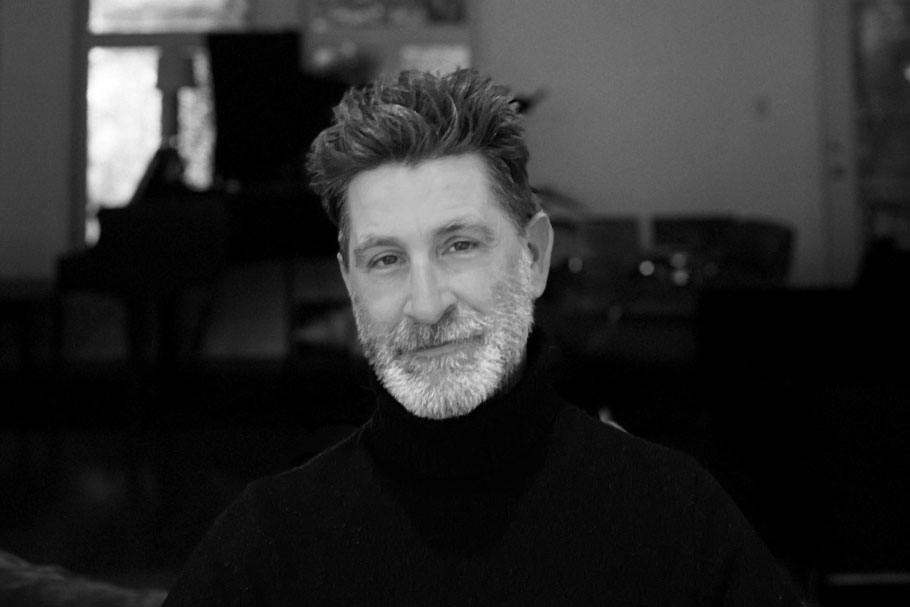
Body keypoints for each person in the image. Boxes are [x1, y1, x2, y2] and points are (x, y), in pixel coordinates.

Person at [162, 69, 803, 606]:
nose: (427, 304)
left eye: (460, 245)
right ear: (350, 282)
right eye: (385, 259)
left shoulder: (672, 519)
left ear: (533, 257)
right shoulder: (268, 546)